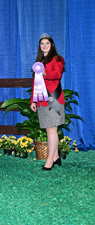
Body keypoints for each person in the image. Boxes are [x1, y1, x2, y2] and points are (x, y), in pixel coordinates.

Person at [30, 33, 65, 171]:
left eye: (47, 43)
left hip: (53, 97)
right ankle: (55, 156)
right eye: (42, 43)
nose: (44, 46)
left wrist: (45, 73)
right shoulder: (39, 62)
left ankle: (49, 160)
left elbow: (57, 74)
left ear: (52, 45)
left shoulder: (57, 58)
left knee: (51, 129)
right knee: (49, 128)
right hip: (42, 99)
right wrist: (33, 100)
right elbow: (35, 83)